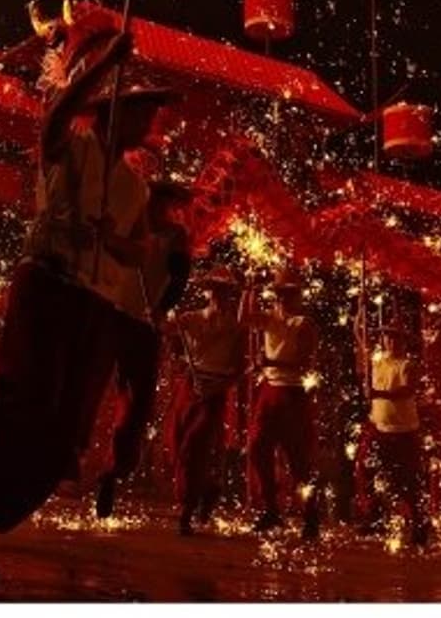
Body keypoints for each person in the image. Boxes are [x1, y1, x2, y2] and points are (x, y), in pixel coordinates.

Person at [0, 28, 175, 582]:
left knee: (68, 431)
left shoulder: (134, 186)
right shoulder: (70, 146)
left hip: (95, 305)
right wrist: (105, 63)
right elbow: (57, 114)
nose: (151, 122)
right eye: (142, 110)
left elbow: (137, 247)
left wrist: (113, 241)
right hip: (47, 283)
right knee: (23, 399)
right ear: (112, 112)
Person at [94, 179, 192, 519]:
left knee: (137, 401)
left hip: (143, 322)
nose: (159, 206)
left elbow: (179, 278)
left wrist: (162, 307)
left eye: (166, 202)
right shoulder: (126, 222)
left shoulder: (175, 236)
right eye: (155, 199)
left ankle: (115, 468)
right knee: (90, 382)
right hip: (110, 312)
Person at [241, 268, 323, 538]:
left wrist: (269, 361)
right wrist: (248, 290)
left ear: (297, 297)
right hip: (269, 391)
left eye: (288, 294)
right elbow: (244, 319)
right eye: (279, 294)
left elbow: (303, 362)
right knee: (257, 448)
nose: (283, 299)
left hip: (292, 393)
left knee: (297, 458)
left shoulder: (304, 324)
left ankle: (311, 515)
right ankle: (271, 509)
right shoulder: (269, 319)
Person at [167, 268, 245, 534]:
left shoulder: (235, 327)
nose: (220, 297)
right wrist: (162, 314)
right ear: (208, 292)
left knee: (195, 447)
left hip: (214, 392)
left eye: (226, 292)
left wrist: (216, 389)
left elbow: (238, 370)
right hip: (190, 386)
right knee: (177, 443)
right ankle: (209, 487)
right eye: (216, 291)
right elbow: (165, 331)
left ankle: (186, 511)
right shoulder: (190, 319)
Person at [358, 322, 430, 546]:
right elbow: (362, 356)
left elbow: (407, 390)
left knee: (407, 480)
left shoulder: (408, 365)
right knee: (367, 470)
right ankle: (374, 517)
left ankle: (419, 524)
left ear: (403, 342)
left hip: (403, 431)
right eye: (387, 338)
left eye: (395, 338)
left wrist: (379, 394)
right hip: (378, 427)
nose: (391, 342)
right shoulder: (377, 361)